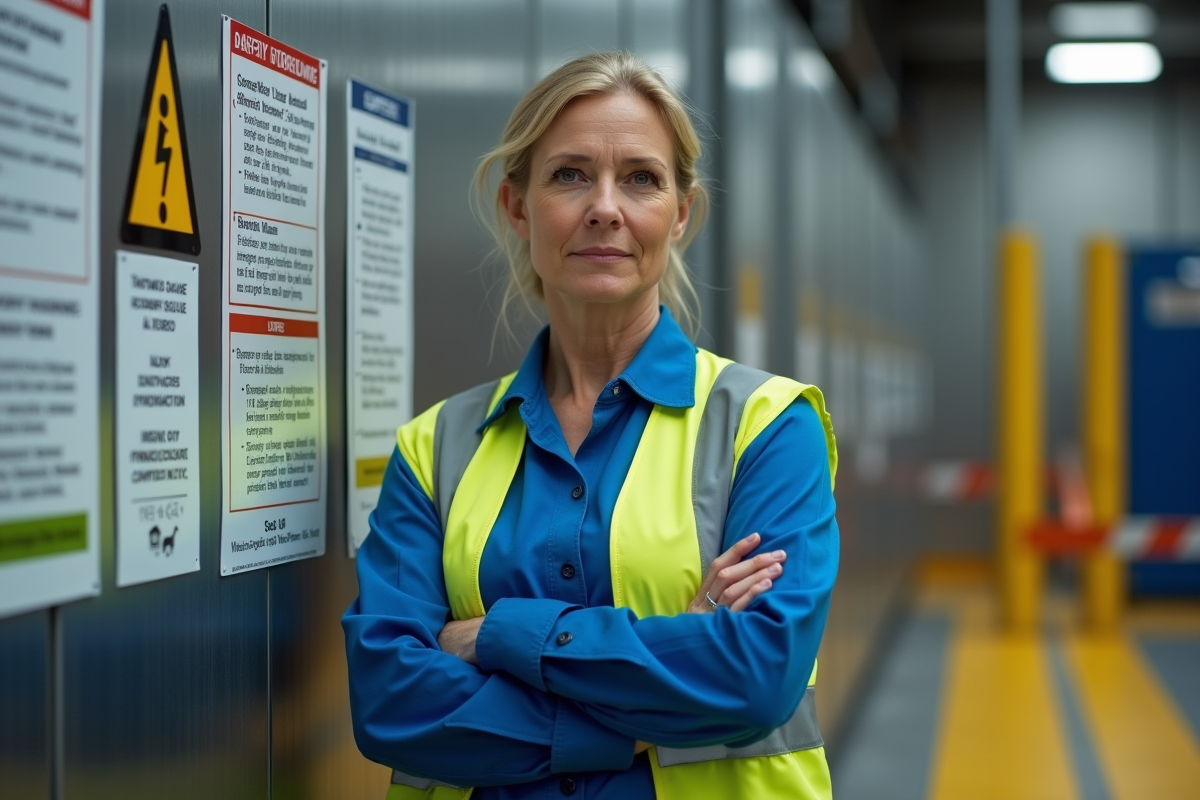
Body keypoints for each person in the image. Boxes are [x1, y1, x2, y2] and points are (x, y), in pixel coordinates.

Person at [343, 52, 839, 800]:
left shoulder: (767, 429)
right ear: (517, 206)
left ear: (681, 213)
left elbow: (755, 675)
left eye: (640, 178)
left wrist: (494, 637)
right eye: (570, 174)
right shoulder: (435, 448)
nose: (605, 206)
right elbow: (390, 699)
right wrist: (650, 689)